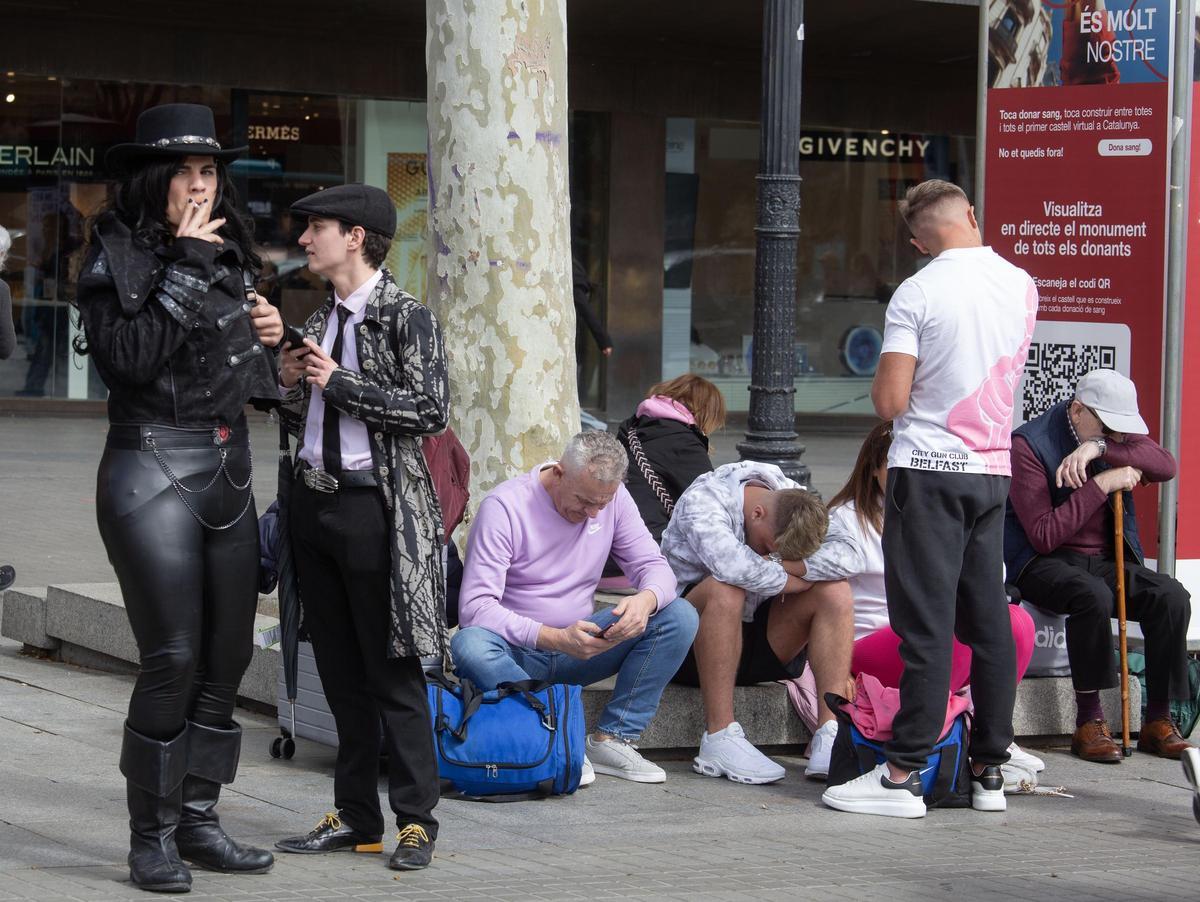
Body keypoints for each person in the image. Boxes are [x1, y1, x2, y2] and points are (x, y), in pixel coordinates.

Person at [74, 103, 283, 891]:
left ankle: (198, 820)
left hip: (228, 471)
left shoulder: (230, 256)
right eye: (185, 172)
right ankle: (148, 837)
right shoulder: (114, 255)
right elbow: (130, 360)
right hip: (149, 471)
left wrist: (274, 348)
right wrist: (190, 263)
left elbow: (242, 384)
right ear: (153, 179)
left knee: (227, 659)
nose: (200, 185)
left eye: (209, 171)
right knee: (172, 658)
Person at [822, 179, 1037, 819]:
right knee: (987, 618)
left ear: (918, 241)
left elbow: (889, 402)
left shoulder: (918, 290)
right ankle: (989, 772)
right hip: (991, 469)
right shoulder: (1021, 283)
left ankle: (902, 774)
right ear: (970, 213)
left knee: (926, 622)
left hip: (928, 467)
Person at [272, 184, 449, 871]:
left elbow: (430, 410)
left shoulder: (408, 318)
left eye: (317, 227)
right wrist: (291, 381)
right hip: (313, 507)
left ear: (356, 236)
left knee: (393, 671)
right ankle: (355, 817)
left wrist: (339, 382)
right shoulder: (319, 319)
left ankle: (416, 820)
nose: (306, 239)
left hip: (374, 512)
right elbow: (305, 418)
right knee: (339, 672)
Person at [803, 420, 1044, 787]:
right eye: (900, 469)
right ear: (875, 471)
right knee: (968, 630)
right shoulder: (848, 518)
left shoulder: (944, 515)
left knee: (1013, 621)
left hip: (923, 636)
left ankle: (990, 734)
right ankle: (950, 745)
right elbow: (821, 581)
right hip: (868, 643)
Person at [453, 430, 698, 785]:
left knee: (678, 615)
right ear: (559, 472)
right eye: (585, 501)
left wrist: (645, 601)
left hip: (583, 646)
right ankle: (553, 735)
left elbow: (656, 568)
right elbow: (475, 609)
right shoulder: (505, 507)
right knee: (470, 644)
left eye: (602, 503)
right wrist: (553, 637)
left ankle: (613, 739)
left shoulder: (612, 500)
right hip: (516, 653)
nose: (593, 513)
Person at [1005, 369, 1194, 764]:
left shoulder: (1111, 438)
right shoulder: (1029, 444)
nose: (1121, 436)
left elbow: (1166, 464)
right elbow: (1042, 534)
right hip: (1042, 562)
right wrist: (1101, 484)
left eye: (1125, 430)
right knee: (1091, 595)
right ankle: (1089, 721)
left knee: (1170, 596)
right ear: (1077, 410)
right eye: (1109, 427)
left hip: (1104, 559)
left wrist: (1100, 447)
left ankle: (1160, 718)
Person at [661, 460, 853, 785]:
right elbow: (735, 568)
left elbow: (850, 555)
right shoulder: (705, 500)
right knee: (727, 589)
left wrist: (787, 563)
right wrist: (795, 576)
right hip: (684, 646)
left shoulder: (791, 494)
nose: (772, 555)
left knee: (836, 591)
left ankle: (829, 731)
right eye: (770, 548)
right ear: (757, 514)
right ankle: (719, 736)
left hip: (755, 639)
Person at [616, 373, 726, 543]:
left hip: (614, 540)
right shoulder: (683, 442)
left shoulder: (632, 429)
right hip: (651, 544)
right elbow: (711, 506)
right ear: (705, 414)